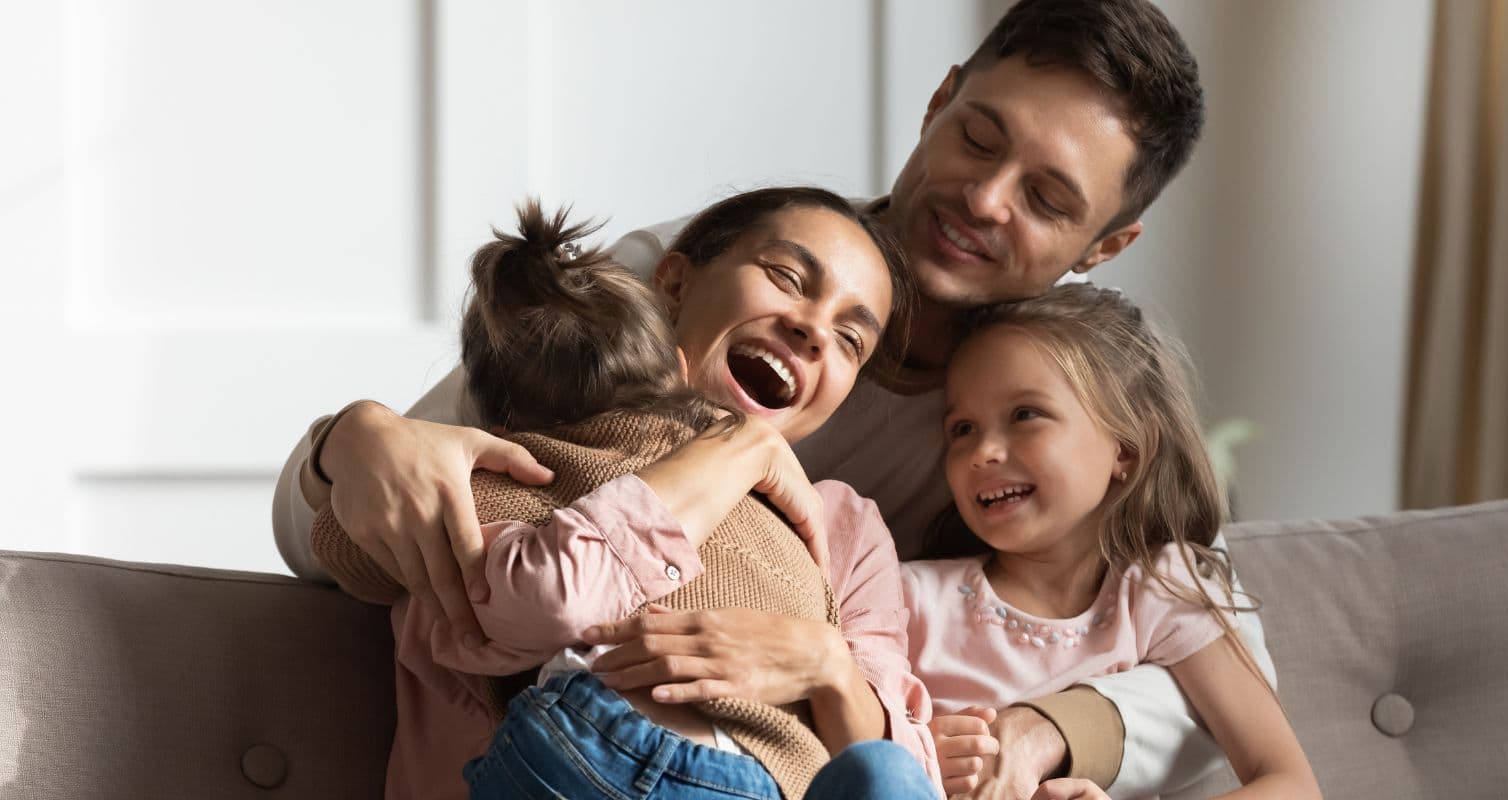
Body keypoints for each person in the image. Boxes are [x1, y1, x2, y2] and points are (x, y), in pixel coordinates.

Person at [273, 1, 1276, 795]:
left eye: (1047, 197)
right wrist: (348, 445)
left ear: (1104, 248)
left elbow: (1214, 635)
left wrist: (1050, 726)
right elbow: (335, 536)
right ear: (937, 103)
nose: (983, 197)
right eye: (978, 138)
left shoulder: (1037, 422)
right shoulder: (677, 288)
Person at [315, 190, 939, 798]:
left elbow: (912, 771)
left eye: (851, 340)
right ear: (673, 283)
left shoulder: (845, 530)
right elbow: (346, 547)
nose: (813, 331)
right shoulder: (516, 456)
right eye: (786, 275)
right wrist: (348, 436)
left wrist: (826, 665)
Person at [908, 285, 1320, 800]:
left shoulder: (1166, 589)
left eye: (1025, 414)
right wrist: (914, 752)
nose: (983, 451)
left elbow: (1289, 784)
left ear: (1125, 446)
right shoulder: (910, 598)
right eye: (962, 428)